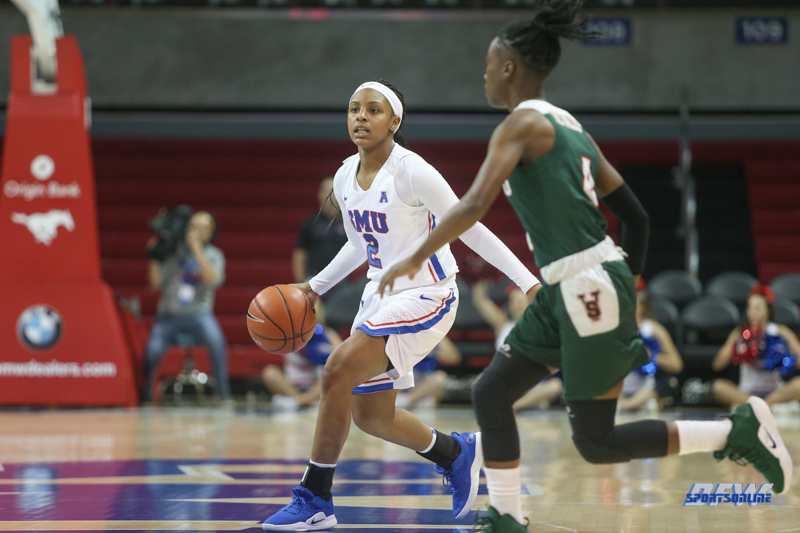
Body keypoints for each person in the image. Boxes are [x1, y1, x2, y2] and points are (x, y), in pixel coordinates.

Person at [378, 3, 793, 530]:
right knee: (491, 392)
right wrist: (626, 282)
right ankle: (507, 517)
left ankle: (735, 433)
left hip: (587, 284)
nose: (484, 75)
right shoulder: (571, 127)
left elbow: (473, 203)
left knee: (596, 442)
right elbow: (635, 217)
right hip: (571, 284)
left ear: (509, 67)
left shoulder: (520, 124)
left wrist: (414, 254)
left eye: (488, 64)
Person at [261, 79, 540, 531]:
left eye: (372, 110)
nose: (360, 117)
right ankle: (455, 453)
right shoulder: (345, 174)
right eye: (354, 109)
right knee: (372, 415)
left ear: (394, 121)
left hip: (427, 292)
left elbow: (469, 225)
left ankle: (315, 498)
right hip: (380, 295)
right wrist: (314, 287)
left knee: (336, 369)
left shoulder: (413, 171)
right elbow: (357, 244)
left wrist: (527, 282)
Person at [143, 211, 232, 403]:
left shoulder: (214, 255)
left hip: (199, 315)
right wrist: (154, 258)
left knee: (217, 342)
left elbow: (212, 279)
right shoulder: (173, 252)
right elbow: (154, 284)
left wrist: (197, 250)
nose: (198, 231)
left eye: (204, 228)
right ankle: (147, 395)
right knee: (152, 350)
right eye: (195, 226)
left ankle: (223, 395)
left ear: (211, 233)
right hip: (168, 316)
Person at [472, 281, 562, 410]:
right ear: (509, 305)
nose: (518, 304)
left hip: (532, 384)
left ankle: (514, 406)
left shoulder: (540, 327)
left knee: (554, 386)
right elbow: (480, 300)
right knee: (480, 379)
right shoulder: (503, 324)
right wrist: (479, 276)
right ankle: (507, 404)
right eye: (514, 301)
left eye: (521, 300)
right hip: (506, 381)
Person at [712, 284, 800, 408]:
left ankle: (763, 404)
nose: (753, 312)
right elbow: (717, 365)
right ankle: (759, 404)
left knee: (799, 385)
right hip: (747, 393)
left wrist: (787, 356)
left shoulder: (780, 331)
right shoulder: (739, 333)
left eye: (757, 307)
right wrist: (734, 348)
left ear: (767, 310)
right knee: (718, 387)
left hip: (775, 391)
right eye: (750, 308)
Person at [262, 302, 343, 410]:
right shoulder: (287, 334)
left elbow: (342, 357)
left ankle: (299, 401)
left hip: (318, 384)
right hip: (292, 386)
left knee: (333, 375)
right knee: (270, 372)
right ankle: (304, 400)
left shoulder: (328, 334)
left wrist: (323, 350)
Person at [618, 280, 683, 412]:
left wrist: (652, 355)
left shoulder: (654, 329)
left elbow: (677, 364)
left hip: (645, 387)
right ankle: (623, 403)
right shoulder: (614, 329)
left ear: (641, 306)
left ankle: (626, 405)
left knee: (668, 383)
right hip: (619, 384)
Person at [293, 177, 349, 283]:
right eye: (326, 190)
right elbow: (300, 254)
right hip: (314, 279)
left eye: (333, 190)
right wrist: (301, 282)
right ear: (319, 194)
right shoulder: (310, 223)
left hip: (343, 283)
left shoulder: (350, 223)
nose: (330, 194)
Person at [396, 336, 462, 410]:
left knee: (440, 378)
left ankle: (407, 400)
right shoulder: (400, 332)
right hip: (402, 376)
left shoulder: (435, 333)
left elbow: (453, 359)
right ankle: (398, 400)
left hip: (423, 380)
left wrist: (430, 349)